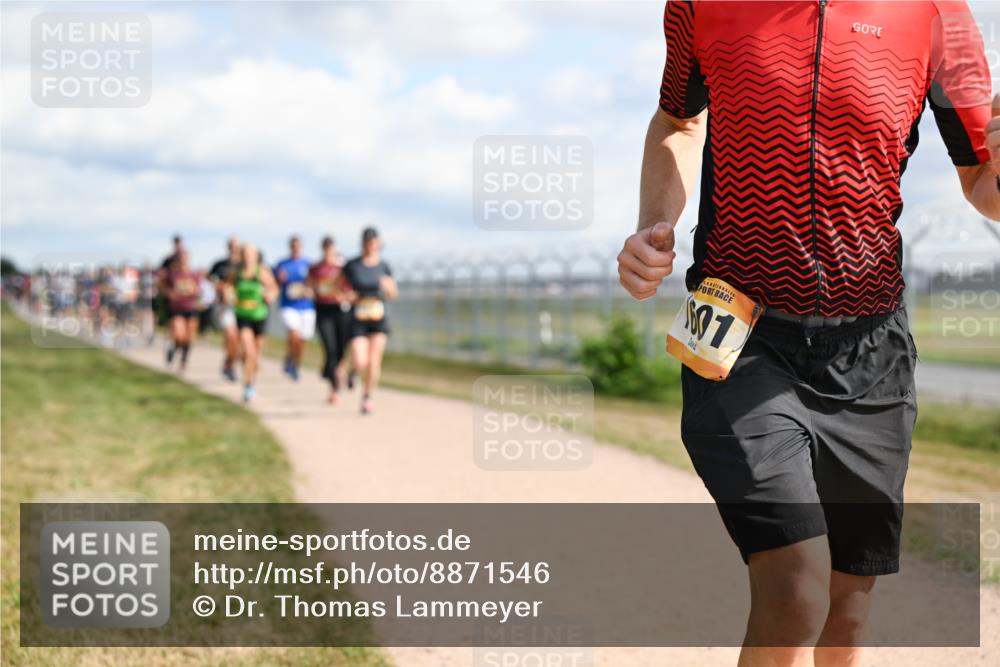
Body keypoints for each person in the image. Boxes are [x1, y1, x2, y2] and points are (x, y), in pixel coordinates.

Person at [618, 2, 1000, 666]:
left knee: (847, 615)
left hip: (871, 351)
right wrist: (656, 222)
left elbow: (984, 181)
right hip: (740, 336)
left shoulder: (940, 13)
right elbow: (679, 120)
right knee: (796, 588)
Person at [339, 227, 397, 414]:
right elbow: (339, 287)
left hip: (378, 318)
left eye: (374, 242)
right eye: (368, 242)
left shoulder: (384, 266)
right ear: (362, 243)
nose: (371, 246)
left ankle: (367, 397)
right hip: (358, 319)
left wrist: (389, 289)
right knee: (361, 359)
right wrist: (347, 296)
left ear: (379, 243)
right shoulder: (352, 265)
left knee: (374, 361)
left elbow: (393, 293)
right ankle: (354, 371)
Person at [228, 244, 278, 403]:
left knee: (256, 355)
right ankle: (247, 385)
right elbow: (227, 286)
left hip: (260, 316)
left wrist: (270, 295)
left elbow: (274, 288)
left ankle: (251, 380)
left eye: (251, 254)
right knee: (248, 351)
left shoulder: (262, 272)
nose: (248, 257)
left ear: (256, 256)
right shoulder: (237, 272)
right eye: (245, 254)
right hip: (243, 316)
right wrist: (228, 294)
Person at [308, 236, 351, 403]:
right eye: (325, 247)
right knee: (330, 347)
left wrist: (343, 296)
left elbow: (349, 289)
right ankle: (334, 387)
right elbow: (309, 285)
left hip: (340, 310)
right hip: (323, 310)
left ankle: (330, 370)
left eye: (330, 247)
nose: (327, 250)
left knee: (340, 349)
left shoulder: (341, 268)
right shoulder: (316, 268)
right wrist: (309, 291)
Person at [273, 235, 315, 381]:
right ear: (290, 247)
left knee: (302, 340)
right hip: (288, 305)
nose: (296, 248)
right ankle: (290, 359)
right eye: (293, 245)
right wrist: (279, 279)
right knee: (294, 334)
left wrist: (309, 290)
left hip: (306, 306)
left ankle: (294, 363)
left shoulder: (309, 264)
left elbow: (314, 284)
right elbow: (273, 283)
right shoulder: (282, 264)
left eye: (298, 245)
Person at [209, 237, 242, 381]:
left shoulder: (244, 265)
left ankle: (229, 363)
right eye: (231, 245)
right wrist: (220, 287)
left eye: (236, 245)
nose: (233, 248)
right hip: (225, 306)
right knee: (231, 336)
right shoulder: (220, 264)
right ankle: (229, 364)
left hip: (242, 307)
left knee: (238, 340)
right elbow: (210, 279)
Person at [163, 249, 202, 371]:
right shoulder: (171, 273)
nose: (184, 261)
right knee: (179, 335)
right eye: (181, 258)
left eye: (185, 258)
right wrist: (169, 293)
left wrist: (194, 291)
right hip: (176, 308)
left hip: (191, 307)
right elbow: (162, 286)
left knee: (189, 337)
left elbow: (200, 291)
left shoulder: (195, 274)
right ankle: (173, 348)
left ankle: (184, 360)